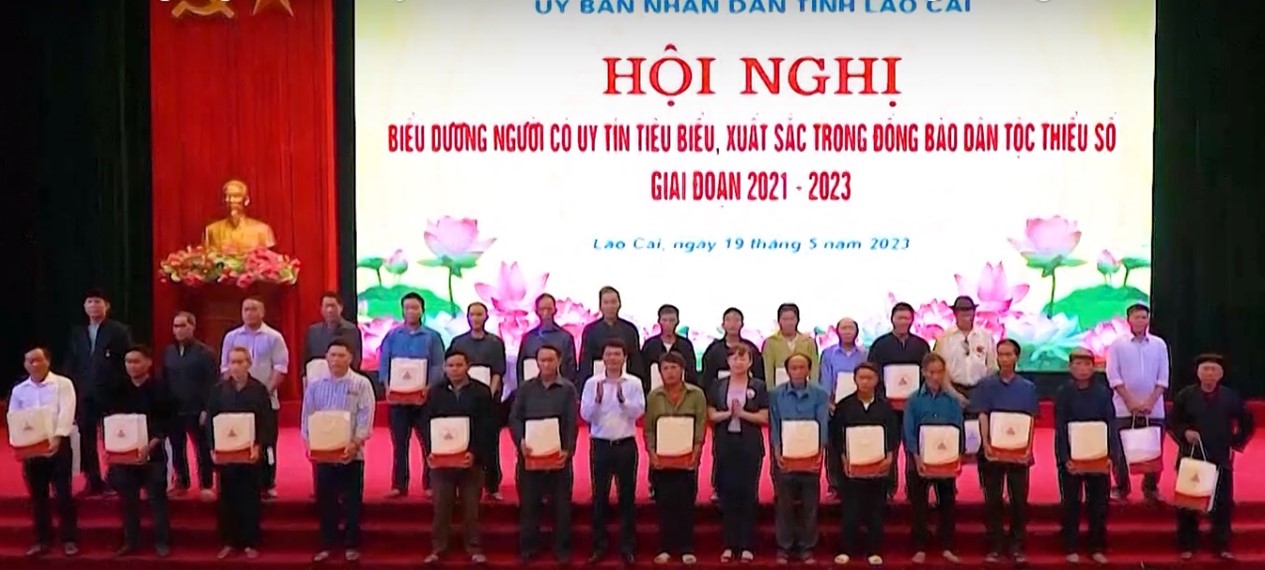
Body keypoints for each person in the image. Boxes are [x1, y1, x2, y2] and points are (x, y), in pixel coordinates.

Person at [1168, 353, 1255, 561]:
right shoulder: (1185, 395)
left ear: (1220, 374)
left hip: (1220, 457)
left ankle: (1221, 545)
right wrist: (1184, 433)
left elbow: (1247, 422)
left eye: (1213, 370)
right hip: (1192, 457)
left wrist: (1236, 441)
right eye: (1205, 369)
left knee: (1222, 504)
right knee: (1189, 504)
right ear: (1198, 373)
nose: (1209, 374)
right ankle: (1188, 544)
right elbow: (1172, 422)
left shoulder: (1230, 397)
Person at [302, 339, 375, 563]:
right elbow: (307, 416)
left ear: (350, 358)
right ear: (326, 357)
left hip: (351, 454)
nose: (336, 360)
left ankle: (352, 545)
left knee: (352, 502)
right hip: (323, 454)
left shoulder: (361, 384)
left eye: (341, 355)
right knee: (325, 501)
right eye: (332, 355)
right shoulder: (315, 385)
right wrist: (309, 443)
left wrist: (356, 442)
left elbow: (366, 415)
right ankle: (327, 544)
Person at [423, 349, 496, 566]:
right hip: (442, 462)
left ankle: (474, 548)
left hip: (471, 461)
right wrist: (432, 450)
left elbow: (488, 427)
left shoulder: (481, 392)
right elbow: (426, 424)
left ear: (467, 366)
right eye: (450, 366)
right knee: (441, 507)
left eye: (459, 365)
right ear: (444, 367)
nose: (454, 369)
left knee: (471, 508)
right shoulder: (435, 392)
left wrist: (474, 452)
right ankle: (438, 548)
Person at [972, 339, 1040, 564]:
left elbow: (1030, 419)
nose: (1004, 359)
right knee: (993, 499)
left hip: (1018, 452)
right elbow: (982, 415)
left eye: (1008, 354)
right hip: (992, 451)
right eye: (1000, 354)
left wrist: (1028, 448)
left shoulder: (1027, 387)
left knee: (1018, 499)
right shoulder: (985, 385)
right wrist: (986, 444)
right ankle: (995, 545)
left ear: (1016, 357)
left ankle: (1017, 545)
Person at [510, 345, 579, 565]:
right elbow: (514, 418)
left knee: (561, 506)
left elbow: (571, 423)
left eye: (550, 360)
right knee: (529, 504)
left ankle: (562, 549)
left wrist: (568, 450)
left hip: (558, 456)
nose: (546, 364)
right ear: (536, 362)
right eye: (542, 360)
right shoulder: (525, 388)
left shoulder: (567, 389)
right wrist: (520, 441)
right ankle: (529, 548)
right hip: (530, 455)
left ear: (559, 361)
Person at [206, 346, 276, 560]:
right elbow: (210, 421)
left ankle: (250, 542)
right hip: (226, 455)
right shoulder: (219, 390)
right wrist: (212, 448)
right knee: (226, 499)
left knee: (250, 499)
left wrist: (259, 446)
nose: (236, 366)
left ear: (249, 364)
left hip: (250, 455)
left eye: (240, 362)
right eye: (232, 362)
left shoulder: (259, 390)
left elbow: (267, 422)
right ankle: (228, 541)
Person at [580, 339, 646, 565]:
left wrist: (623, 401)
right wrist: (597, 400)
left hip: (625, 444)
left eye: (617, 354)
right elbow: (585, 415)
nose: (613, 358)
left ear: (624, 358)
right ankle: (599, 546)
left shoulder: (634, 382)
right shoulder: (592, 383)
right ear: (603, 358)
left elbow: (638, 412)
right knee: (600, 497)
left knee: (627, 497)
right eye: (609, 354)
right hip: (600, 445)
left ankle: (627, 547)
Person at [12, 347, 79, 557]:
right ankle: (42, 540)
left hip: (58, 445)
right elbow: (14, 417)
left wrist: (58, 437)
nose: (33, 364)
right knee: (38, 496)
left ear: (48, 361)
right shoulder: (19, 390)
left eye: (38, 360)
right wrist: (21, 445)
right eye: (29, 361)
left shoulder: (63, 384)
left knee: (63, 493)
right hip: (32, 448)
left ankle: (69, 539)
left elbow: (67, 412)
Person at [64, 289, 132, 497]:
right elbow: (72, 362)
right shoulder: (78, 332)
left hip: (112, 393)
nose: (93, 305)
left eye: (98, 301)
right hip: (85, 393)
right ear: (85, 307)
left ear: (107, 306)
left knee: (113, 436)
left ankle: (115, 479)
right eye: (90, 302)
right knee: (87, 439)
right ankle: (93, 480)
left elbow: (126, 361)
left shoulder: (119, 331)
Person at [378, 292, 446, 499]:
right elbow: (384, 363)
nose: (411, 311)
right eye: (407, 308)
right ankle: (399, 485)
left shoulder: (432, 337)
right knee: (400, 444)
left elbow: (438, 365)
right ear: (402, 310)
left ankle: (430, 484)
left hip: (424, 400)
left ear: (422, 311)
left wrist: (428, 387)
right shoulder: (393, 336)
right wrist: (387, 385)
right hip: (398, 401)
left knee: (428, 443)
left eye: (415, 308)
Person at [107, 346, 174, 558]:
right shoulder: (118, 389)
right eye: (128, 362)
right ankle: (131, 541)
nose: (132, 366)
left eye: (136, 361)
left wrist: (151, 444)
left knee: (157, 500)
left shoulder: (160, 388)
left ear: (148, 362)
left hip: (153, 453)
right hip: (125, 455)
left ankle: (162, 541)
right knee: (128, 501)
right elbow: (112, 422)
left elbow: (167, 421)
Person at [220, 296, 289, 499]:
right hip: (237, 400)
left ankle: (268, 482)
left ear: (263, 312)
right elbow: (225, 368)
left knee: (266, 443)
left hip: (266, 400)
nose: (250, 313)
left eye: (254, 309)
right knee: (237, 439)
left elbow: (280, 367)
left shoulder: (274, 337)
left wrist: (263, 393)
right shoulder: (231, 337)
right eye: (246, 309)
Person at [643, 352, 706, 565]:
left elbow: (700, 425)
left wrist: (696, 453)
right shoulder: (654, 396)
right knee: (664, 504)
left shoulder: (696, 394)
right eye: (665, 369)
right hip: (662, 459)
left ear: (682, 370)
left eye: (674, 368)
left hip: (687, 458)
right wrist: (652, 454)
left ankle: (687, 547)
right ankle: (665, 547)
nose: (670, 372)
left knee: (686, 503)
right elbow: (649, 429)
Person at [707, 343, 769, 563]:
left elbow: (764, 417)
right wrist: (727, 414)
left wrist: (742, 414)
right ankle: (729, 544)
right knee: (727, 494)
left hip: (749, 445)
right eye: (734, 358)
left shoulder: (758, 386)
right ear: (728, 361)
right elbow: (711, 414)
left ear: (750, 362)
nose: (738, 362)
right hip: (725, 444)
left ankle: (746, 545)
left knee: (748, 494)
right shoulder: (718, 385)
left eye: (743, 358)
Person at [831, 362, 897, 566]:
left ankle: (874, 550)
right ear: (855, 380)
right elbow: (837, 436)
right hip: (852, 466)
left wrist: (889, 457)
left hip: (878, 466)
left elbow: (893, 434)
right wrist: (843, 459)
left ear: (877, 380)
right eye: (862, 378)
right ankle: (846, 549)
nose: (866, 382)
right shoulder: (844, 406)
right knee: (850, 509)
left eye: (870, 378)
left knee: (875, 509)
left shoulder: (885, 407)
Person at [1053, 349, 1115, 564]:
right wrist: (1064, 458)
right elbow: (1060, 427)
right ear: (1070, 368)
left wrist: (1111, 455)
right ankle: (1071, 546)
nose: (1082, 369)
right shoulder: (1063, 393)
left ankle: (1096, 546)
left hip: (1098, 455)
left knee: (1098, 504)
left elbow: (1110, 424)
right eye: (1077, 364)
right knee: (1071, 503)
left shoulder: (1103, 393)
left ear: (1094, 367)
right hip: (1072, 456)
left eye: (1087, 364)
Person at [903, 352, 964, 564]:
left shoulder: (953, 400)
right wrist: (916, 458)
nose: (935, 377)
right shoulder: (914, 400)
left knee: (947, 503)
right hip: (919, 460)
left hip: (946, 460)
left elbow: (958, 428)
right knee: (919, 505)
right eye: (931, 372)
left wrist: (957, 455)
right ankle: (919, 547)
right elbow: (909, 431)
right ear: (923, 372)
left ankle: (947, 546)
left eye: (939, 372)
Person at [769, 353, 829, 564]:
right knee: (784, 503)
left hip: (810, 455)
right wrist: (776, 450)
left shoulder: (820, 394)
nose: (797, 371)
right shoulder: (776, 394)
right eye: (793, 368)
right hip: (785, 454)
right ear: (787, 371)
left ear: (809, 370)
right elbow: (774, 423)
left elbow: (823, 423)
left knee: (809, 504)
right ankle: (784, 547)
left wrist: (820, 452)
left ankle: (807, 547)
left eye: (802, 367)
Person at [1106, 303, 1170, 502]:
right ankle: (1121, 487)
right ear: (1128, 320)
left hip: (1154, 408)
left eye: (1144, 317)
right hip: (1123, 407)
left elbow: (1163, 378)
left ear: (1148, 319)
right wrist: (1130, 401)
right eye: (1136, 317)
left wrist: (1150, 401)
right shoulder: (1118, 345)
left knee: (1153, 450)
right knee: (1120, 451)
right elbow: (1113, 376)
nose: (1140, 321)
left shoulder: (1159, 344)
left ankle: (1150, 488)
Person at [699, 307, 764, 502]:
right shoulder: (713, 350)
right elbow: (707, 378)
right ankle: (718, 489)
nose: (733, 324)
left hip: (748, 421)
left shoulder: (752, 348)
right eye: (729, 320)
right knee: (722, 455)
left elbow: (760, 377)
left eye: (737, 320)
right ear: (723, 324)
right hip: (721, 405)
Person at [868, 301, 931, 499]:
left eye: (907, 318)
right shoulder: (880, 345)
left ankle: (914, 488)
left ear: (912, 320)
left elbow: (927, 372)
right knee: (890, 447)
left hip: (915, 405)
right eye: (899, 317)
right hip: (888, 406)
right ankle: (888, 488)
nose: (903, 322)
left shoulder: (921, 345)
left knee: (914, 446)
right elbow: (873, 371)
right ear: (892, 319)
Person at [934, 295, 996, 491]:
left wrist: (984, 394)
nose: (966, 314)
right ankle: (949, 485)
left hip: (980, 389)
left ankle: (988, 485)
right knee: (951, 437)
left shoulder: (985, 336)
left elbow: (992, 367)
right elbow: (939, 370)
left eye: (969, 310)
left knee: (984, 438)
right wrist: (953, 393)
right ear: (955, 313)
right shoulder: (944, 339)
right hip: (953, 389)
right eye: (962, 311)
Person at [448, 302, 509, 500]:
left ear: (486, 317)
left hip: (488, 399)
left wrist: (489, 394)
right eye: (472, 314)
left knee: (490, 442)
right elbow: (451, 368)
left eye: (479, 314)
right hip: (464, 398)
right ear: (467, 317)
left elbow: (498, 371)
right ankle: (463, 485)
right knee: (464, 441)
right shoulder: (458, 342)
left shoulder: (495, 343)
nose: (476, 318)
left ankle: (492, 485)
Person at [163, 311, 219, 499]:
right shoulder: (169, 352)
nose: (178, 330)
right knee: (177, 447)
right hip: (174, 409)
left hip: (198, 409)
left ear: (192, 327)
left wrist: (207, 409)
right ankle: (182, 481)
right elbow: (165, 380)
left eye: (183, 325)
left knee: (202, 448)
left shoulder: (205, 353)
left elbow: (213, 384)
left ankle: (206, 484)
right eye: (175, 326)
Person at [818, 317, 867, 501]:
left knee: (856, 442)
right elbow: (825, 380)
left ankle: (858, 481)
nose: (847, 332)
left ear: (857, 332)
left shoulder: (864, 354)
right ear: (837, 331)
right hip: (834, 405)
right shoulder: (828, 354)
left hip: (858, 404)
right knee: (834, 446)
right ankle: (835, 485)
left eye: (850, 328)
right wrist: (829, 403)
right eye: (843, 328)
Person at [578, 286, 644, 389]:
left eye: (613, 302)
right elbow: (586, 363)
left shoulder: (630, 330)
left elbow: (635, 362)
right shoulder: (590, 330)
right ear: (600, 306)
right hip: (598, 382)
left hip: (625, 382)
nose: (610, 306)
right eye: (606, 302)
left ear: (619, 304)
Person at [517, 293, 579, 385]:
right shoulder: (529, 338)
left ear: (555, 310)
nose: (545, 313)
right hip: (532, 389)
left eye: (549, 309)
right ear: (537, 311)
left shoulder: (565, 338)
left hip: (559, 388)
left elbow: (571, 370)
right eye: (542, 309)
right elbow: (520, 369)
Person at [304, 291, 363, 377]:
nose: (330, 310)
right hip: (318, 378)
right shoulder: (313, 331)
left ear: (341, 308)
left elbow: (356, 358)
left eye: (333, 306)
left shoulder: (351, 330)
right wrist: (304, 376)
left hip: (344, 378)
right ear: (321, 309)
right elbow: (307, 357)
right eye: (326, 306)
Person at [761, 303, 820, 389]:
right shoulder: (770, 342)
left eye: (792, 319)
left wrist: (813, 391)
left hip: (805, 389)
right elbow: (768, 371)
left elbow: (814, 370)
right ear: (779, 321)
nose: (788, 323)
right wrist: (771, 392)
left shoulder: (808, 342)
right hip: (780, 389)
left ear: (797, 320)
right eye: (785, 319)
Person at [639, 303, 699, 389]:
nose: (668, 324)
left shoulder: (685, 346)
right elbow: (643, 372)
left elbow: (691, 373)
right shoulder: (650, 345)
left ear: (677, 321)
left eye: (672, 320)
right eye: (665, 320)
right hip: (654, 392)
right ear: (659, 321)